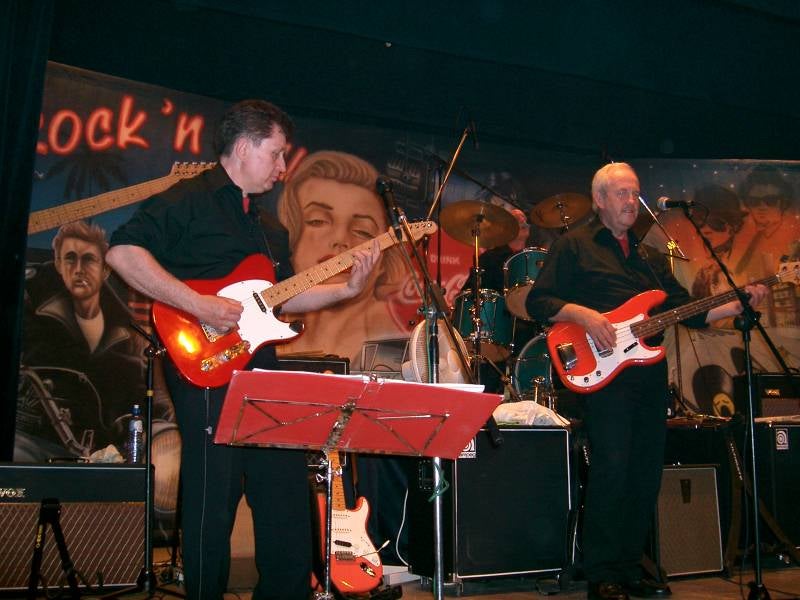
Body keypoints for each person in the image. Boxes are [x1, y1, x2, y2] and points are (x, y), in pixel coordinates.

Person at [106, 100, 379, 600]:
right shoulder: (188, 199)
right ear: (245, 146)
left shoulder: (270, 228)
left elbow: (282, 298)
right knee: (212, 495)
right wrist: (196, 304)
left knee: (284, 492)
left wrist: (347, 289)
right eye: (276, 153)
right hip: (203, 367)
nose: (282, 168)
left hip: (260, 368)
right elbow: (123, 252)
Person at [525, 162, 767, 600]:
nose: (630, 201)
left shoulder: (649, 257)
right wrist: (584, 315)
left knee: (644, 472)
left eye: (635, 193)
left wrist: (736, 304)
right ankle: (601, 573)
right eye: (621, 193)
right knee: (612, 468)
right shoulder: (575, 245)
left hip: (648, 375)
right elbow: (538, 301)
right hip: (603, 376)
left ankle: (630, 566)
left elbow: (686, 311)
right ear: (599, 199)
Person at [17, 220, 144, 458]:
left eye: (89, 260)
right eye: (69, 259)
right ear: (57, 264)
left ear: (105, 270)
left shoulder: (129, 334)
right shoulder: (28, 313)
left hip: (99, 458)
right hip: (34, 447)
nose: (78, 269)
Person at [277, 150, 407, 367]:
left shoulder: (395, 355)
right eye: (318, 221)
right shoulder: (261, 341)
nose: (340, 240)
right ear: (291, 235)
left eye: (363, 231)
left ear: (384, 261)